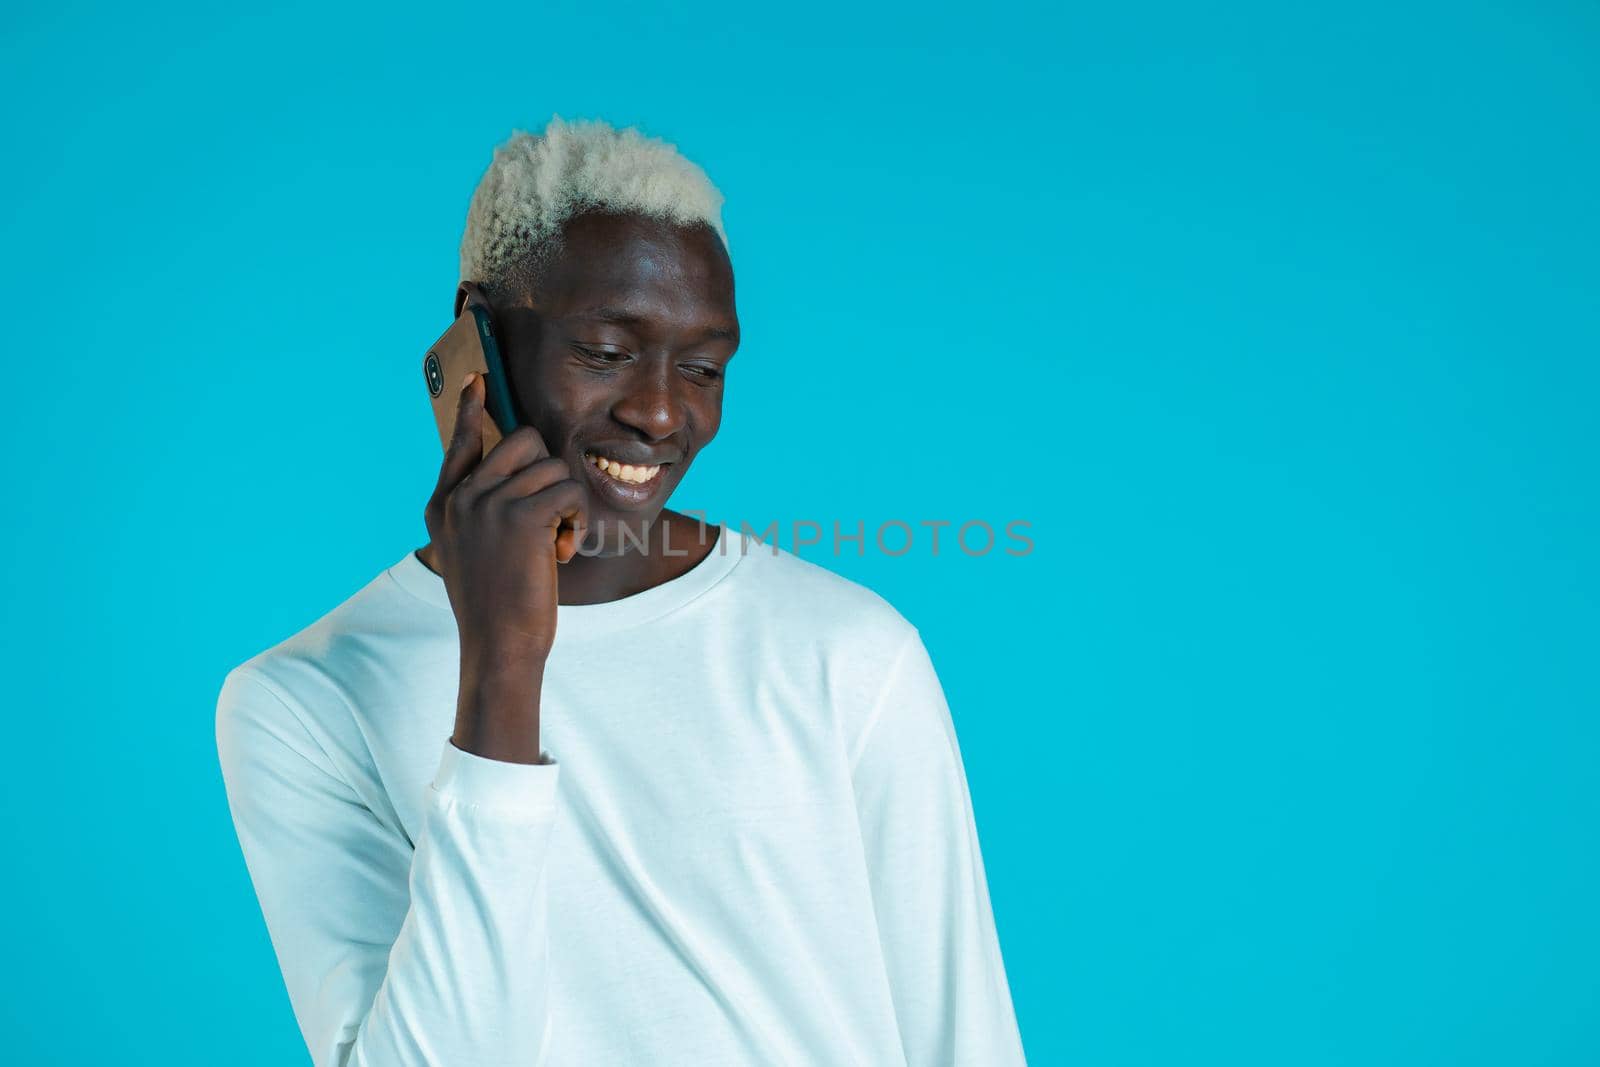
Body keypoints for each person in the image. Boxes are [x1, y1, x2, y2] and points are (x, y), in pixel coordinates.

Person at [215, 114, 1027, 1066]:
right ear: (476, 331)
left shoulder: (847, 651)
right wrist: (504, 667)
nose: (658, 412)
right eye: (605, 351)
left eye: (703, 369)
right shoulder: (301, 703)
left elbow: (964, 1037)